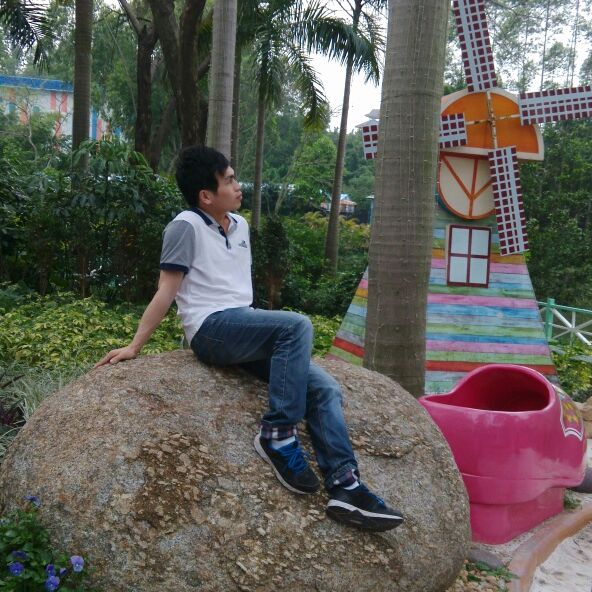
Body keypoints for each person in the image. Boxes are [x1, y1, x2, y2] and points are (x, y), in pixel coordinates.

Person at [95, 145, 403, 532]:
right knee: (297, 325)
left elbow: (238, 294)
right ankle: (277, 435)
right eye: (229, 181)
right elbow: (166, 291)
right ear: (206, 195)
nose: (238, 186)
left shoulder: (239, 226)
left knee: (324, 387)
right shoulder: (185, 226)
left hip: (243, 325)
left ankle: (345, 485)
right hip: (210, 330)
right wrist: (134, 345)